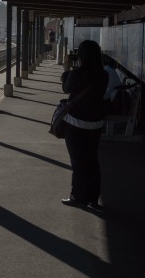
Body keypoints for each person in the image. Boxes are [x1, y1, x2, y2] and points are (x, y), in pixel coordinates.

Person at [60, 40, 108, 212]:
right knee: (92, 161)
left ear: (81, 55)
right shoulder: (104, 75)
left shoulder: (77, 73)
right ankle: (93, 200)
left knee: (78, 162)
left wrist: (66, 71)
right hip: (95, 125)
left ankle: (78, 197)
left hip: (76, 124)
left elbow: (66, 88)